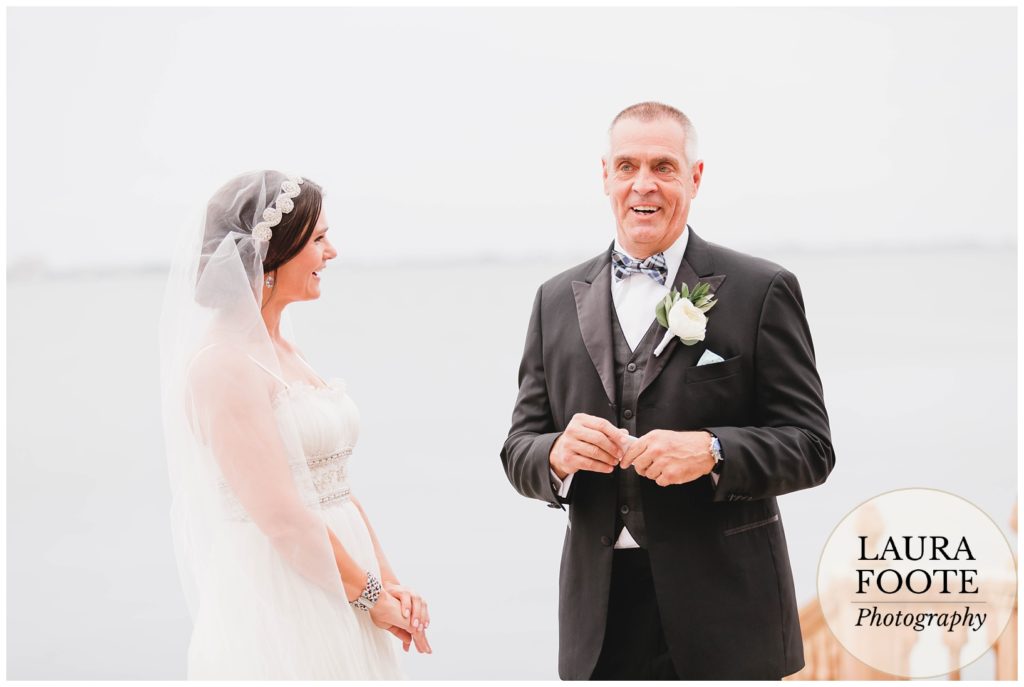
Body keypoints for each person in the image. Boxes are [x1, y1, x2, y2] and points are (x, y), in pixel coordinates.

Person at [500, 102, 835, 680]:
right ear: (604, 175)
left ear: (695, 177)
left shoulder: (762, 289)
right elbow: (519, 448)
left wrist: (712, 451)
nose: (642, 184)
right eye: (626, 166)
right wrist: (555, 455)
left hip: (730, 615)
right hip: (599, 623)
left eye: (663, 166)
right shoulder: (554, 300)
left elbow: (810, 446)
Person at [159, 170, 431, 679]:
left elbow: (336, 490)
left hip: (343, 582)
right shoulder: (224, 365)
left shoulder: (285, 351)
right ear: (271, 253)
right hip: (281, 598)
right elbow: (282, 517)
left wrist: (390, 584)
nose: (333, 253)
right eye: (320, 239)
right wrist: (371, 597)